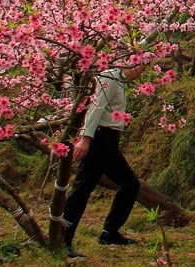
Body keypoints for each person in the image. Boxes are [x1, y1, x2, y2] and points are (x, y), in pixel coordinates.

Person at [62, 64, 146, 259]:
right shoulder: (109, 77)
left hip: (110, 140)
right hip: (100, 139)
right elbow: (96, 108)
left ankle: (109, 232)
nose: (139, 74)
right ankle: (63, 238)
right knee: (82, 189)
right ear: (131, 61)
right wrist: (86, 138)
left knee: (130, 184)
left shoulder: (119, 79)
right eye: (140, 69)